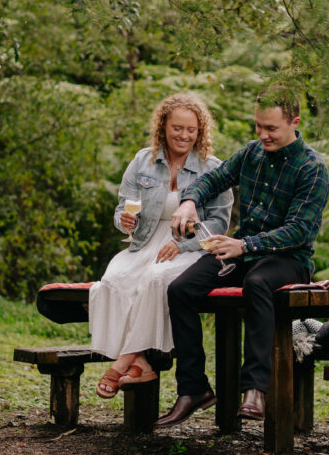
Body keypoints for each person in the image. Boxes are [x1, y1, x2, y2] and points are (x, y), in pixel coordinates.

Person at [154, 85, 329, 428]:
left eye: (271, 129)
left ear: (294, 121)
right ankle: (194, 389)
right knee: (181, 289)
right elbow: (213, 180)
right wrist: (189, 201)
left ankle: (255, 389)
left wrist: (245, 245)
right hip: (243, 252)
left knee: (258, 283)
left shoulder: (312, 168)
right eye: (258, 126)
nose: (262, 135)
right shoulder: (251, 154)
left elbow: (300, 231)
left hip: (289, 260)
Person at [89, 94, 233, 399]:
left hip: (189, 247)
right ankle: (139, 360)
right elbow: (121, 209)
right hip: (143, 242)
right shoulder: (143, 160)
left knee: (156, 280)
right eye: (177, 128)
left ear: (200, 131)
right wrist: (123, 222)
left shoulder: (213, 168)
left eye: (191, 130)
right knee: (112, 281)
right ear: (163, 128)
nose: (184, 135)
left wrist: (182, 247)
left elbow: (220, 224)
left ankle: (122, 363)